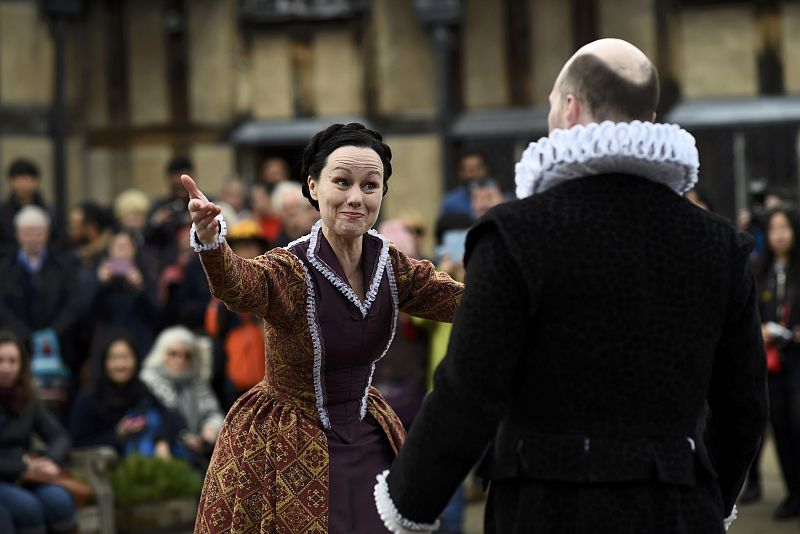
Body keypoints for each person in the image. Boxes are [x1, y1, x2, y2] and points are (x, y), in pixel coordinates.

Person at [375, 38, 768, 534]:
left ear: (570, 106)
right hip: (677, 510)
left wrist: (408, 503)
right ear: (646, 116)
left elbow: (469, 392)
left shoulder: (515, 234)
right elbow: (744, 406)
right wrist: (713, 495)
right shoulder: (719, 244)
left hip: (547, 509)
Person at [186, 122, 464, 533]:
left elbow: (463, 302)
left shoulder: (391, 265)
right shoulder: (291, 267)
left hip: (368, 437)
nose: (356, 197)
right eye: (341, 182)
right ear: (314, 187)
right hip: (283, 442)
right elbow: (240, 286)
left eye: (370, 185)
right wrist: (211, 242)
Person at [0, 330, 77, 533]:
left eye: (12, 361)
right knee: (27, 508)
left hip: (28, 475)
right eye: (0, 360)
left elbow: (60, 436)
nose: (6, 368)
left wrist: (50, 460)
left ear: (22, 365)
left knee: (59, 502)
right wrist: (22, 467)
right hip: (8, 473)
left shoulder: (27, 399)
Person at [755, 207, 800, 519]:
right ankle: (793, 492)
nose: (779, 234)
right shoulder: (762, 271)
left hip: (798, 362)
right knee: (781, 428)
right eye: (773, 229)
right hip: (774, 365)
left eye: (785, 227)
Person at [69, 331, 175, 457]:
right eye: (114, 358)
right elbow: (78, 443)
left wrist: (162, 441)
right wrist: (118, 434)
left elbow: (170, 416)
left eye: (126, 357)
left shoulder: (142, 391)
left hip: (144, 461)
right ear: (104, 362)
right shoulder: (88, 398)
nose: (120, 365)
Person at [140, 326, 223, 466]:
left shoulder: (197, 382)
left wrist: (210, 430)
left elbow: (213, 413)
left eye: (187, 355)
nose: (180, 360)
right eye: (173, 354)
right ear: (161, 354)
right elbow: (158, 420)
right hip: (160, 453)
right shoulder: (148, 382)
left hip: (196, 452)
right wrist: (185, 438)